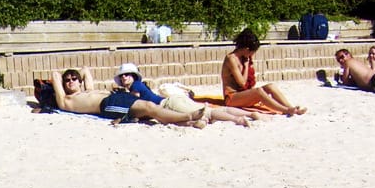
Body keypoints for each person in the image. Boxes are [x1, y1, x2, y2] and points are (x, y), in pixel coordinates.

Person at [114, 62, 268, 127]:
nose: (124, 77)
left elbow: (136, 102)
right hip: (171, 101)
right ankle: (250, 114)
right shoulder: (139, 85)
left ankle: (239, 120)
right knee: (210, 110)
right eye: (122, 76)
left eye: (127, 75)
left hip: (168, 104)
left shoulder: (136, 86)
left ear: (133, 76)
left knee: (208, 112)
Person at [52, 66, 204, 126]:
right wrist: (65, 80)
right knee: (149, 107)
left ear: (80, 81)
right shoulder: (66, 100)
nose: (70, 82)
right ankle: (188, 116)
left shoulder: (87, 90)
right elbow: (55, 75)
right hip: (108, 104)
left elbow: (85, 70)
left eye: (74, 79)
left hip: (118, 97)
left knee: (149, 111)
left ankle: (190, 123)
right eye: (67, 80)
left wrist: (77, 77)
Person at [220, 28, 307, 116]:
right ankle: (286, 110)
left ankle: (291, 107)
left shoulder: (243, 57)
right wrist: (246, 66)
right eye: (252, 52)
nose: (252, 55)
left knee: (270, 86)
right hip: (232, 98)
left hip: (242, 94)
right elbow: (242, 83)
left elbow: (249, 83)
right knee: (258, 91)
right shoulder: (231, 59)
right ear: (246, 49)